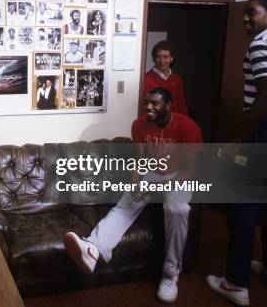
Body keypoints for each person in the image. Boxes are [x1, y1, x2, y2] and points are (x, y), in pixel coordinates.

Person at [64, 87, 202, 303]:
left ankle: (170, 273)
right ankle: (93, 248)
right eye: (146, 102)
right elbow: (140, 160)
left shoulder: (188, 127)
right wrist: (137, 181)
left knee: (177, 209)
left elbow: (191, 169)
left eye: (154, 103)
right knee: (126, 204)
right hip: (153, 171)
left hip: (179, 175)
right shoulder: (139, 125)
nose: (148, 107)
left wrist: (157, 188)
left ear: (168, 106)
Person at [206, 0, 267, 306]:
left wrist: (235, 141)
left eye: (251, 12)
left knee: (242, 206)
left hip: (265, 129)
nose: (245, 18)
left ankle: (236, 283)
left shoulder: (261, 44)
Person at [143, 41, 189, 116]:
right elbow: (145, 107)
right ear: (154, 58)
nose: (162, 61)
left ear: (171, 58)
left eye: (165, 57)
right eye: (158, 57)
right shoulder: (145, 79)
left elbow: (181, 104)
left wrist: (186, 122)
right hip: (155, 123)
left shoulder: (176, 79)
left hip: (174, 122)